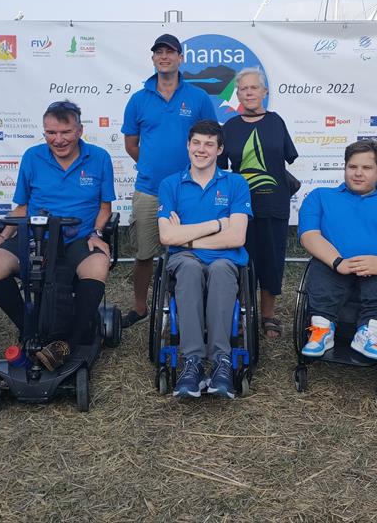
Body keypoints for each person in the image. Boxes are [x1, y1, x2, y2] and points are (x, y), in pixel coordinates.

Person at [0, 100, 115, 371]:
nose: (58, 139)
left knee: (97, 265)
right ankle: (30, 330)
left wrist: (98, 233)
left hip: (79, 238)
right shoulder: (33, 156)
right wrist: (4, 234)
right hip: (35, 236)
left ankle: (69, 343)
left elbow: (105, 207)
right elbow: (21, 205)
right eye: (51, 133)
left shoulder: (99, 158)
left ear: (79, 131)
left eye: (65, 132)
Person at [298, 140, 377, 362]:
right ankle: (321, 330)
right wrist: (338, 261)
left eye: (366, 168)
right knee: (321, 265)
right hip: (335, 263)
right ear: (345, 167)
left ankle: (369, 333)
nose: (358, 173)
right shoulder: (320, 196)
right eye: (352, 167)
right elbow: (309, 235)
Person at [121, 34, 216, 328]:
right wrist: (153, 166)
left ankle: (191, 306)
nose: (164, 57)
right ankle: (140, 308)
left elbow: (210, 138)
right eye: (159, 52)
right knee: (145, 254)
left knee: (190, 252)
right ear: (153, 59)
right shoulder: (138, 100)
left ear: (180, 58)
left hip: (189, 190)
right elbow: (131, 144)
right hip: (149, 190)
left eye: (170, 52)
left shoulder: (198, 97)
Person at [158, 120, 252, 399]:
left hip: (225, 258)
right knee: (188, 267)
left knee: (222, 269)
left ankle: (222, 361)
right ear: (188, 146)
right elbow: (166, 236)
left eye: (209, 144)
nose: (202, 149)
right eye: (196, 143)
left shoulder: (236, 183)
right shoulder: (170, 184)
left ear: (219, 149)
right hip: (183, 258)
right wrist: (215, 224)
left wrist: (184, 235)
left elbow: (237, 238)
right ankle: (192, 362)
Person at [218, 67, 298, 338]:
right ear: (237, 94)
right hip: (241, 208)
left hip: (275, 204)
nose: (249, 92)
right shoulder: (229, 127)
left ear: (264, 92)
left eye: (254, 88)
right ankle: (240, 313)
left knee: (271, 262)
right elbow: (221, 168)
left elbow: (287, 157)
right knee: (240, 261)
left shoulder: (277, 122)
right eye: (244, 89)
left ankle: (267, 315)